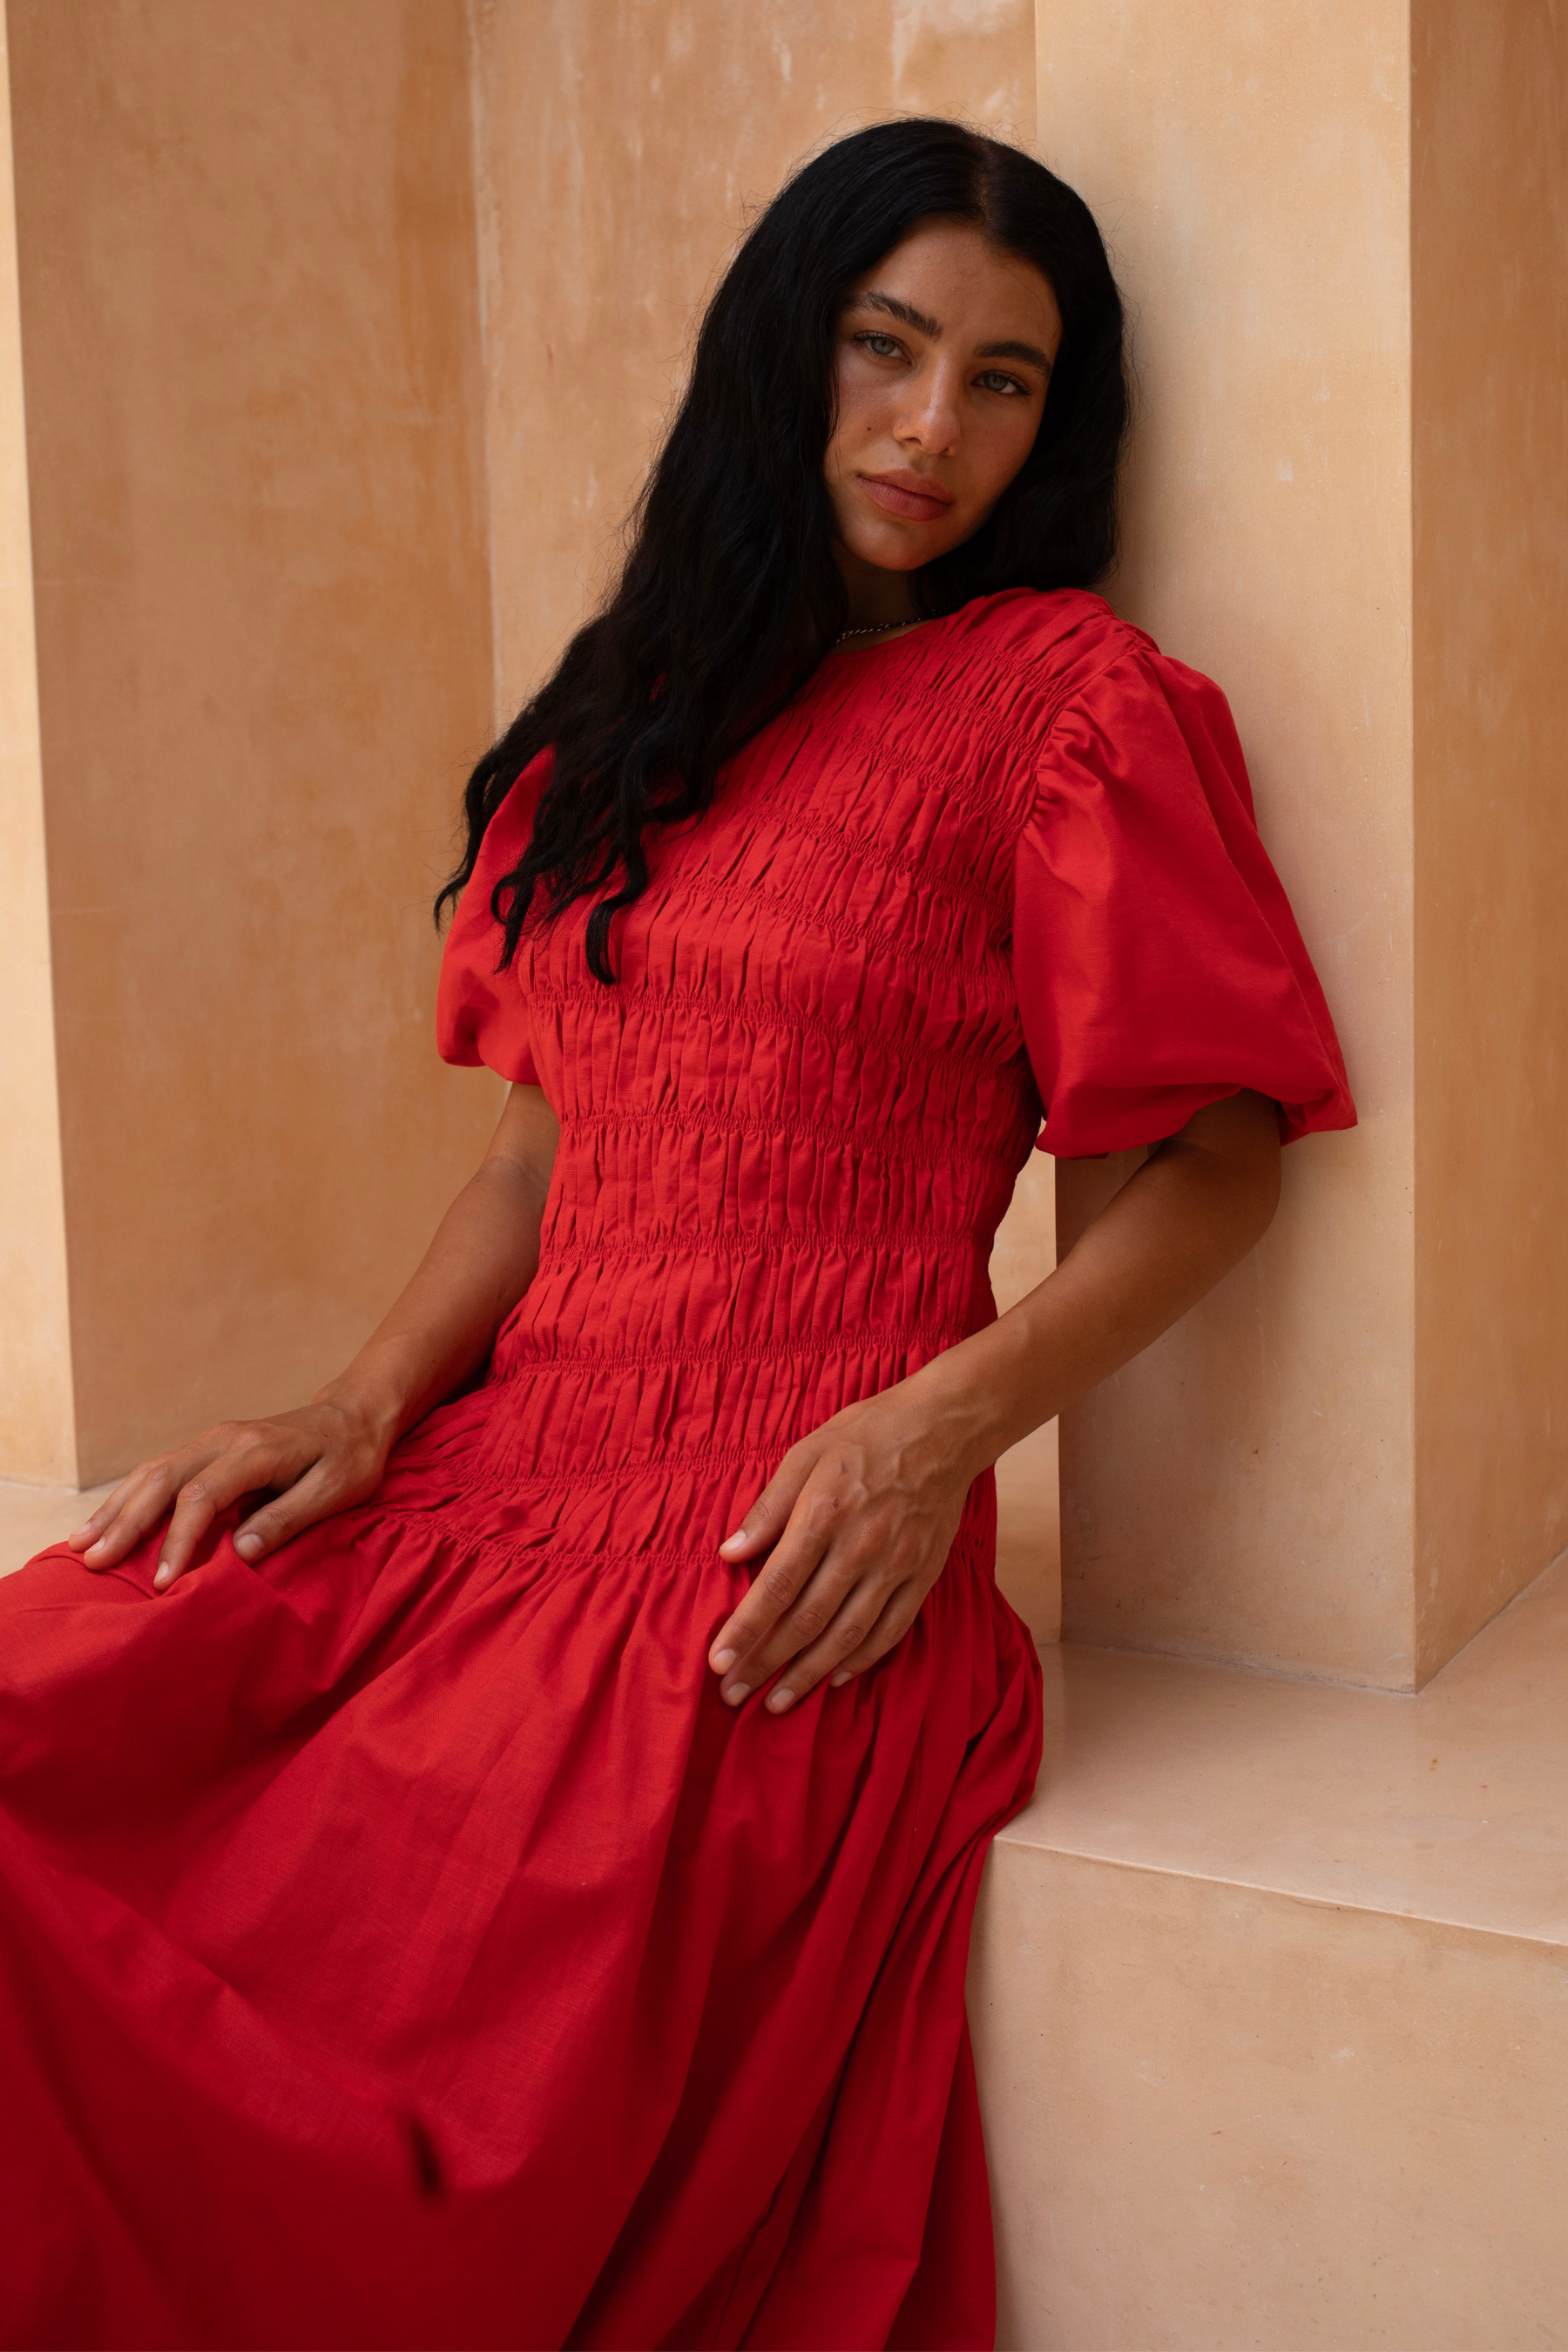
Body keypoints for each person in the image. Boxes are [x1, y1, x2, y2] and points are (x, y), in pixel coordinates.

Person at [0, 118, 1353, 2351]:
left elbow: (1219, 1166)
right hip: (497, 1487)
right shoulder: (638, 719)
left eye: (1003, 379)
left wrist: (935, 1434)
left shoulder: (1063, 707)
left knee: (424, 2134)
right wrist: (355, 1406)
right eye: (885, 347)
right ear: (785, 350)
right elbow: (541, 1158)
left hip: (774, 1563)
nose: (931, 426)